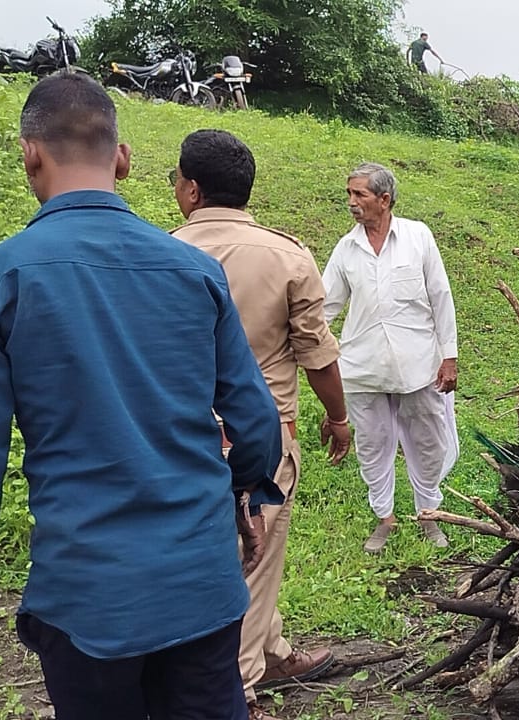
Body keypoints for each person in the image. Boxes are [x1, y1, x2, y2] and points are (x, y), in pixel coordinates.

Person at [0, 74, 283, 719]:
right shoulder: (194, 271)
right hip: (199, 584)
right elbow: (254, 418)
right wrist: (248, 491)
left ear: (30, 154)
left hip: (88, 595)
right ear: (121, 158)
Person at [170, 129, 351, 720]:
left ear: (192, 189)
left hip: (182, 438)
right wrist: (339, 418)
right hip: (264, 433)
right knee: (253, 559)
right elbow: (317, 354)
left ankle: (269, 653)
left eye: (176, 179)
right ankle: (241, 690)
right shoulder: (287, 255)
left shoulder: (163, 253)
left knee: (237, 556)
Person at [322, 162, 459, 553]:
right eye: (349, 193)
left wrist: (449, 356)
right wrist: (307, 345)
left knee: (428, 440)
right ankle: (385, 518)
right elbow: (325, 305)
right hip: (362, 367)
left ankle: (429, 513)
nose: (351, 201)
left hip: (419, 365)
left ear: (384, 199)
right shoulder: (347, 248)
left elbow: (440, 297)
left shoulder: (418, 236)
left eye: (359, 194)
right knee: (372, 442)